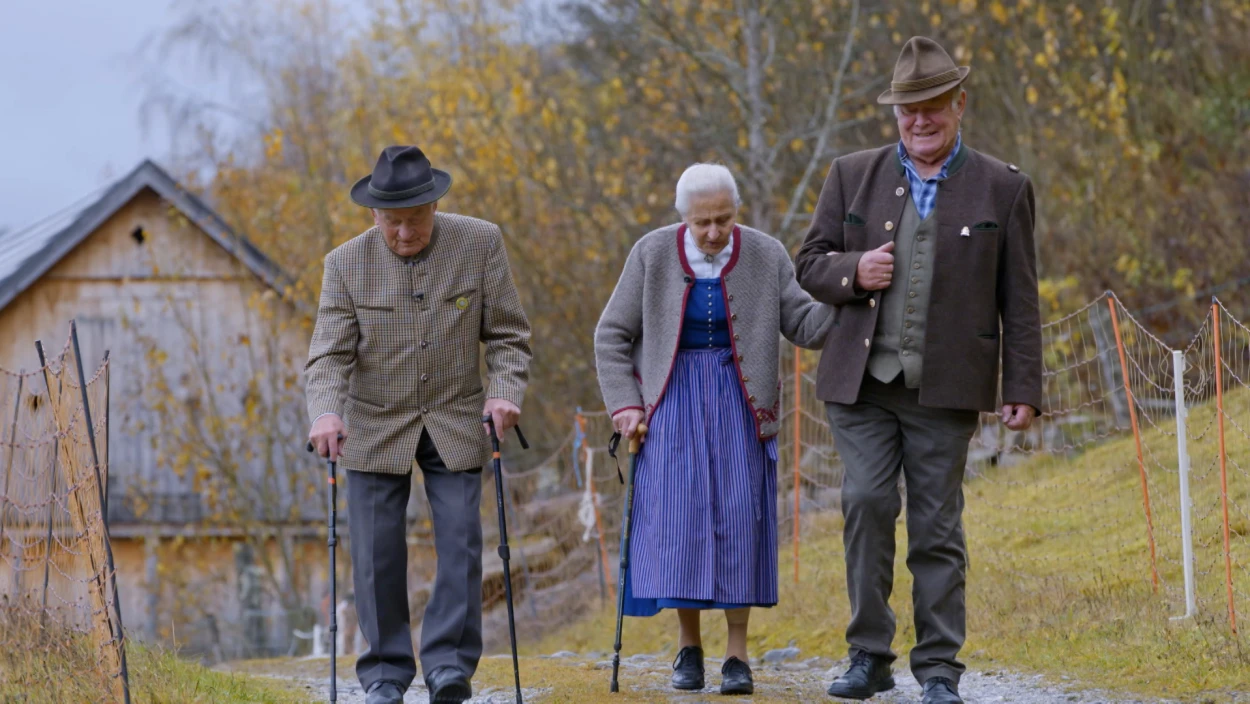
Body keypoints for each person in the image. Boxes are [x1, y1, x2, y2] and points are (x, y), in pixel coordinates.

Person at [794, 37, 1042, 704]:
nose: (920, 122)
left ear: (959, 105)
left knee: (936, 527)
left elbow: (1020, 296)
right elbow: (809, 262)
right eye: (908, 112)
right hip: (861, 387)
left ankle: (938, 670)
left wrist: (1022, 387)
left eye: (933, 108)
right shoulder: (852, 173)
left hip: (947, 389)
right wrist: (853, 271)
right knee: (867, 503)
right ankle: (868, 655)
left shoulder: (1004, 185)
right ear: (894, 116)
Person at [304, 145, 532, 704]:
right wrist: (326, 411)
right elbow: (328, 357)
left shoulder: (480, 242)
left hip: (456, 415)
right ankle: (384, 672)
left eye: (415, 220)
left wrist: (504, 394)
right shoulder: (345, 263)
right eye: (392, 222)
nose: (405, 233)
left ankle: (450, 667)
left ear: (435, 205)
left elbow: (508, 335)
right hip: (375, 423)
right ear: (373, 215)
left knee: (460, 542)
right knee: (377, 552)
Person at [595, 163, 833, 696]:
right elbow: (610, 335)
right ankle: (688, 648)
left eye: (723, 219)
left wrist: (852, 296)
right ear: (683, 217)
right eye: (702, 221)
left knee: (739, 521)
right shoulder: (652, 254)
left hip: (741, 403)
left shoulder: (767, 254)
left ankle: (737, 655)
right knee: (680, 524)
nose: (712, 232)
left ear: (735, 213)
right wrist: (625, 407)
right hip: (672, 403)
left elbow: (804, 323)